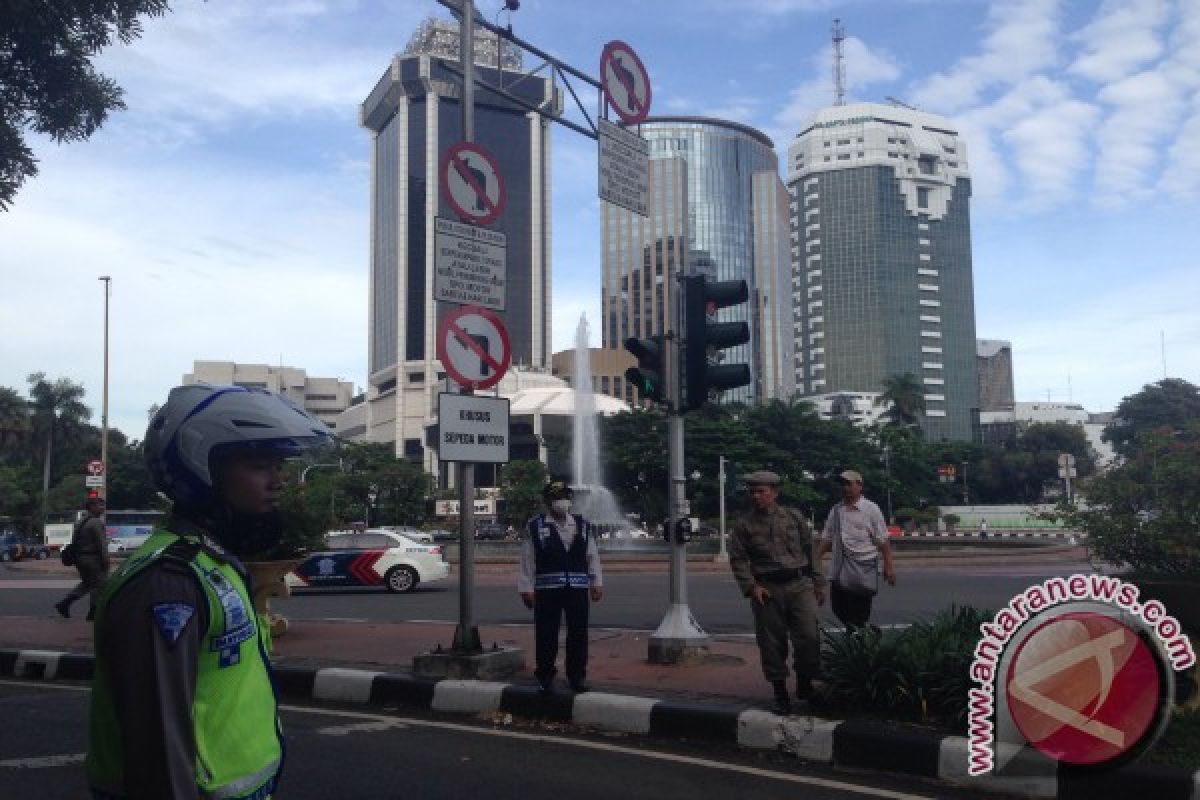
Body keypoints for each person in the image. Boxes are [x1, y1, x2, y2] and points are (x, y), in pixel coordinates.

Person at [86, 385, 332, 800]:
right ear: (201, 473)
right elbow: (158, 760)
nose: (278, 482)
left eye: (278, 466)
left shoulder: (213, 563)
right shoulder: (168, 584)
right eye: (259, 466)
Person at [728, 470, 825, 715]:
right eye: (752, 492)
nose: (756, 496)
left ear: (774, 493)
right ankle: (780, 692)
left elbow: (810, 549)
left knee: (809, 637)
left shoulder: (794, 517)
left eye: (761, 491)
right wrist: (751, 587)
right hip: (767, 589)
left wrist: (818, 582)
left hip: (799, 584)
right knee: (772, 644)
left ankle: (805, 684)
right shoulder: (744, 525)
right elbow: (738, 560)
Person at [517, 479, 603, 694]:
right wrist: (526, 587)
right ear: (547, 501)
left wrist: (597, 582)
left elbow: (592, 555)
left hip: (577, 588)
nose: (562, 502)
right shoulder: (535, 526)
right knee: (546, 634)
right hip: (547, 589)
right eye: (556, 498)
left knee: (578, 634)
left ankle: (577, 677)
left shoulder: (582, 525)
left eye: (565, 497)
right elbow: (528, 558)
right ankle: (545, 677)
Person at [817, 470, 896, 630]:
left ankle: (859, 642)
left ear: (860, 486)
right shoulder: (836, 510)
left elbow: (883, 539)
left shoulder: (871, 509)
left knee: (859, 612)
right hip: (840, 568)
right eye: (842, 484)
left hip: (863, 568)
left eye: (848, 483)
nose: (845, 487)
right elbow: (827, 539)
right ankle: (860, 636)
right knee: (838, 608)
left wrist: (888, 566)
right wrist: (814, 557)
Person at [54, 495, 111, 620]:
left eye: (103, 505)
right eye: (100, 505)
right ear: (91, 507)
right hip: (92, 559)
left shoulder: (81, 521)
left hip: (80, 558)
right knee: (99, 585)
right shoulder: (96, 522)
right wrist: (106, 561)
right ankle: (93, 613)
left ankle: (65, 603)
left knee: (87, 583)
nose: (103, 508)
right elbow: (101, 544)